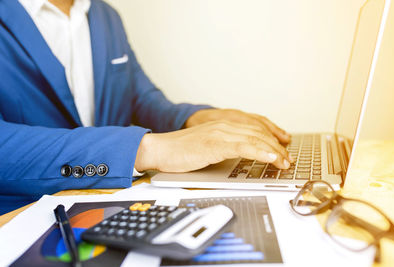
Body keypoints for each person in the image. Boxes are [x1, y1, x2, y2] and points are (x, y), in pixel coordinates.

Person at [0, 0, 292, 215]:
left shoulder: (105, 16)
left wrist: (194, 118)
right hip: (22, 214)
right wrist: (144, 149)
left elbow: (140, 99)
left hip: (109, 202)